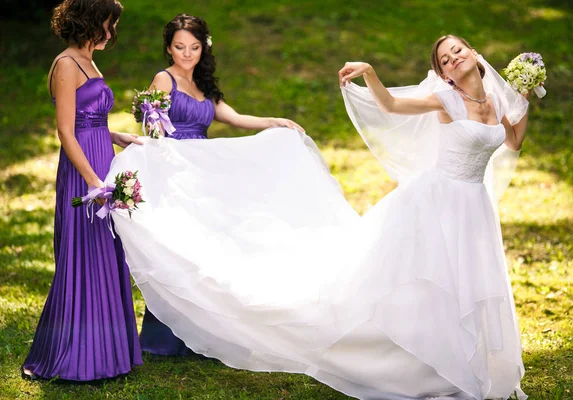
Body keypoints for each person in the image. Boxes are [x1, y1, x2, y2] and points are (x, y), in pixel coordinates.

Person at [107, 34, 532, 399]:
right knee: (421, 279)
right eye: (444, 59)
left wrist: (524, 96)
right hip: (437, 200)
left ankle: (461, 358)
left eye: (457, 51)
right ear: (443, 74)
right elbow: (390, 106)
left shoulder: (495, 99)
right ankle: (416, 360)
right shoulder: (444, 99)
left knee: (465, 279)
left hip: (473, 204)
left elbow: (512, 141)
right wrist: (368, 73)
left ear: (474, 54)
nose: (453, 59)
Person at [138, 13, 304, 356]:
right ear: (169, 49)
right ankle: (163, 339)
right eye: (180, 47)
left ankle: (204, 335)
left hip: (200, 173)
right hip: (172, 172)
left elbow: (233, 117)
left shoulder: (203, 85)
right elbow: (151, 133)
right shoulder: (163, 80)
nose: (187, 54)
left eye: (194, 47)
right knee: (174, 249)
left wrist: (273, 121)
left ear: (203, 48)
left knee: (204, 251)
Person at [21, 0, 142, 381]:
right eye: (109, 22)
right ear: (92, 22)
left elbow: (91, 122)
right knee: (83, 254)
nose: (112, 30)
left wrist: (119, 136)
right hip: (82, 172)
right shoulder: (66, 64)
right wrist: (92, 181)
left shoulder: (90, 62)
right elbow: (66, 131)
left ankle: (109, 353)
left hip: (102, 161)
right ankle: (75, 356)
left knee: (107, 252)